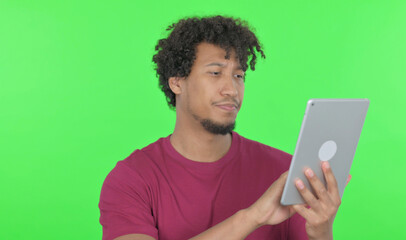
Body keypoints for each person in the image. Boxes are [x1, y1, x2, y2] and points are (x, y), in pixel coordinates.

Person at [99, 16, 344, 240]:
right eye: (215, 73)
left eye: (238, 76)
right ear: (176, 82)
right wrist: (252, 217)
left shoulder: (286, 172)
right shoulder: (132, 179)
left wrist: (321, 230)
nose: (231, 90)